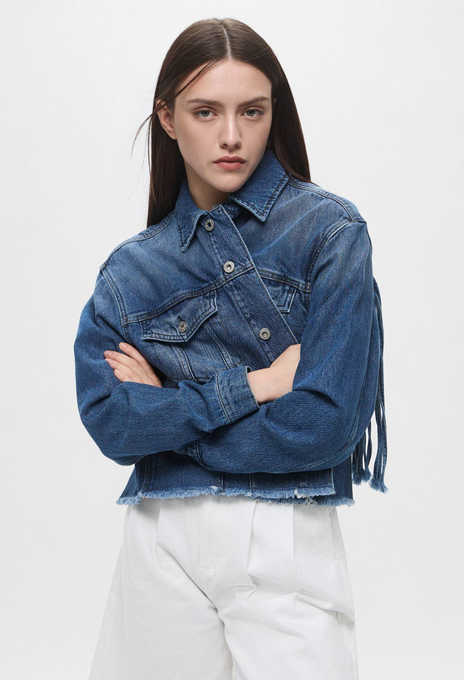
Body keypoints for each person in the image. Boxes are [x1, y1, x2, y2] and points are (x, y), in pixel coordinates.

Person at [73, 17, 388, 680]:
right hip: (161, 536)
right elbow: (111, 423)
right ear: (167, 118)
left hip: (283, 531)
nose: (231, 136)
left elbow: (325, 427)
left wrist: (168, 416)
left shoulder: (330, 233)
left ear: (274, 113)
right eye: (205, 111)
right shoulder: (131, 271)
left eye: (252, 111)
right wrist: (254, 386)